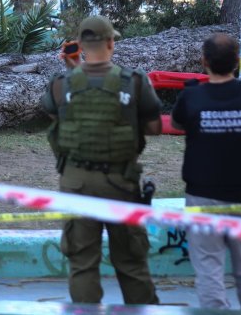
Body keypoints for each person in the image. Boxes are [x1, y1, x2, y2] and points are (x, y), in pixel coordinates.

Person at [41, 15, 162, 305]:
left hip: (76, 183)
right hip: (121, 183)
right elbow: (154, 128)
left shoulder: (61, 83)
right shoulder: (133, 81)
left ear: (80, 45)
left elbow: (57, 117)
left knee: (82, 264)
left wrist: (75, 75)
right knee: (132, 263)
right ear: (110, 43)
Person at [170, 33, 241, 312]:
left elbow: (177, 125)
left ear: (204, 61)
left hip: (202, 195)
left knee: (209, 269)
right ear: (237, 61)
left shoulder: (192, 96)